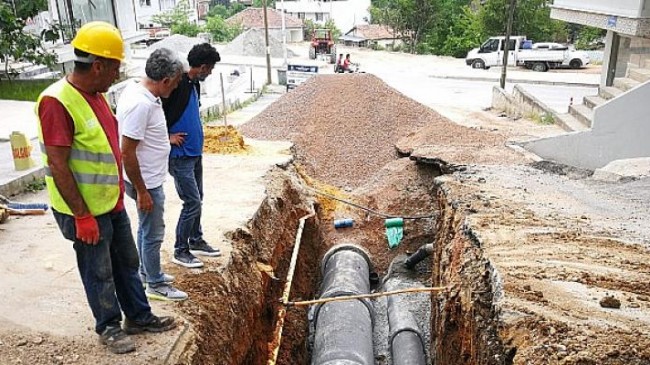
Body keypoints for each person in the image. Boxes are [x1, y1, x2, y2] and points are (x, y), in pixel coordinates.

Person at [36, 21, 175, 354]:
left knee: (126, 261)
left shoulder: (95, 96)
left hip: (109, 203)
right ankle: (109, 326)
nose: (117, 73)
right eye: (115, 66)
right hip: (83, 209)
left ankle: (138, 316)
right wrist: (82, 215)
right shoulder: (57, 101)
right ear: (98, 65)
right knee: (98, 270)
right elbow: (58, 163)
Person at [117, 48, 187, 301]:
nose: (177, 87)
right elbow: (127, 152)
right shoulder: (140, 104)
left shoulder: (143, 94)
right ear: (166, 80)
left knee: (146, 229)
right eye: (177, 81)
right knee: (154, 232)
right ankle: (156, 284)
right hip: (145, 181)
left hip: (148, 178)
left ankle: (147, 271)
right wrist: (144, 191)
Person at [162, 43, 221, 269]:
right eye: (211, 68)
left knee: (199, 197)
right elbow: (156, 112)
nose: (211, 72)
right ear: (203, 66)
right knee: (192, 202)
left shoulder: (193, 85)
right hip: (180, 156)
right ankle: (181, 249)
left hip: (194, 153)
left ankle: (195, 239)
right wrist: (167, 136)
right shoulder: (178, 85)